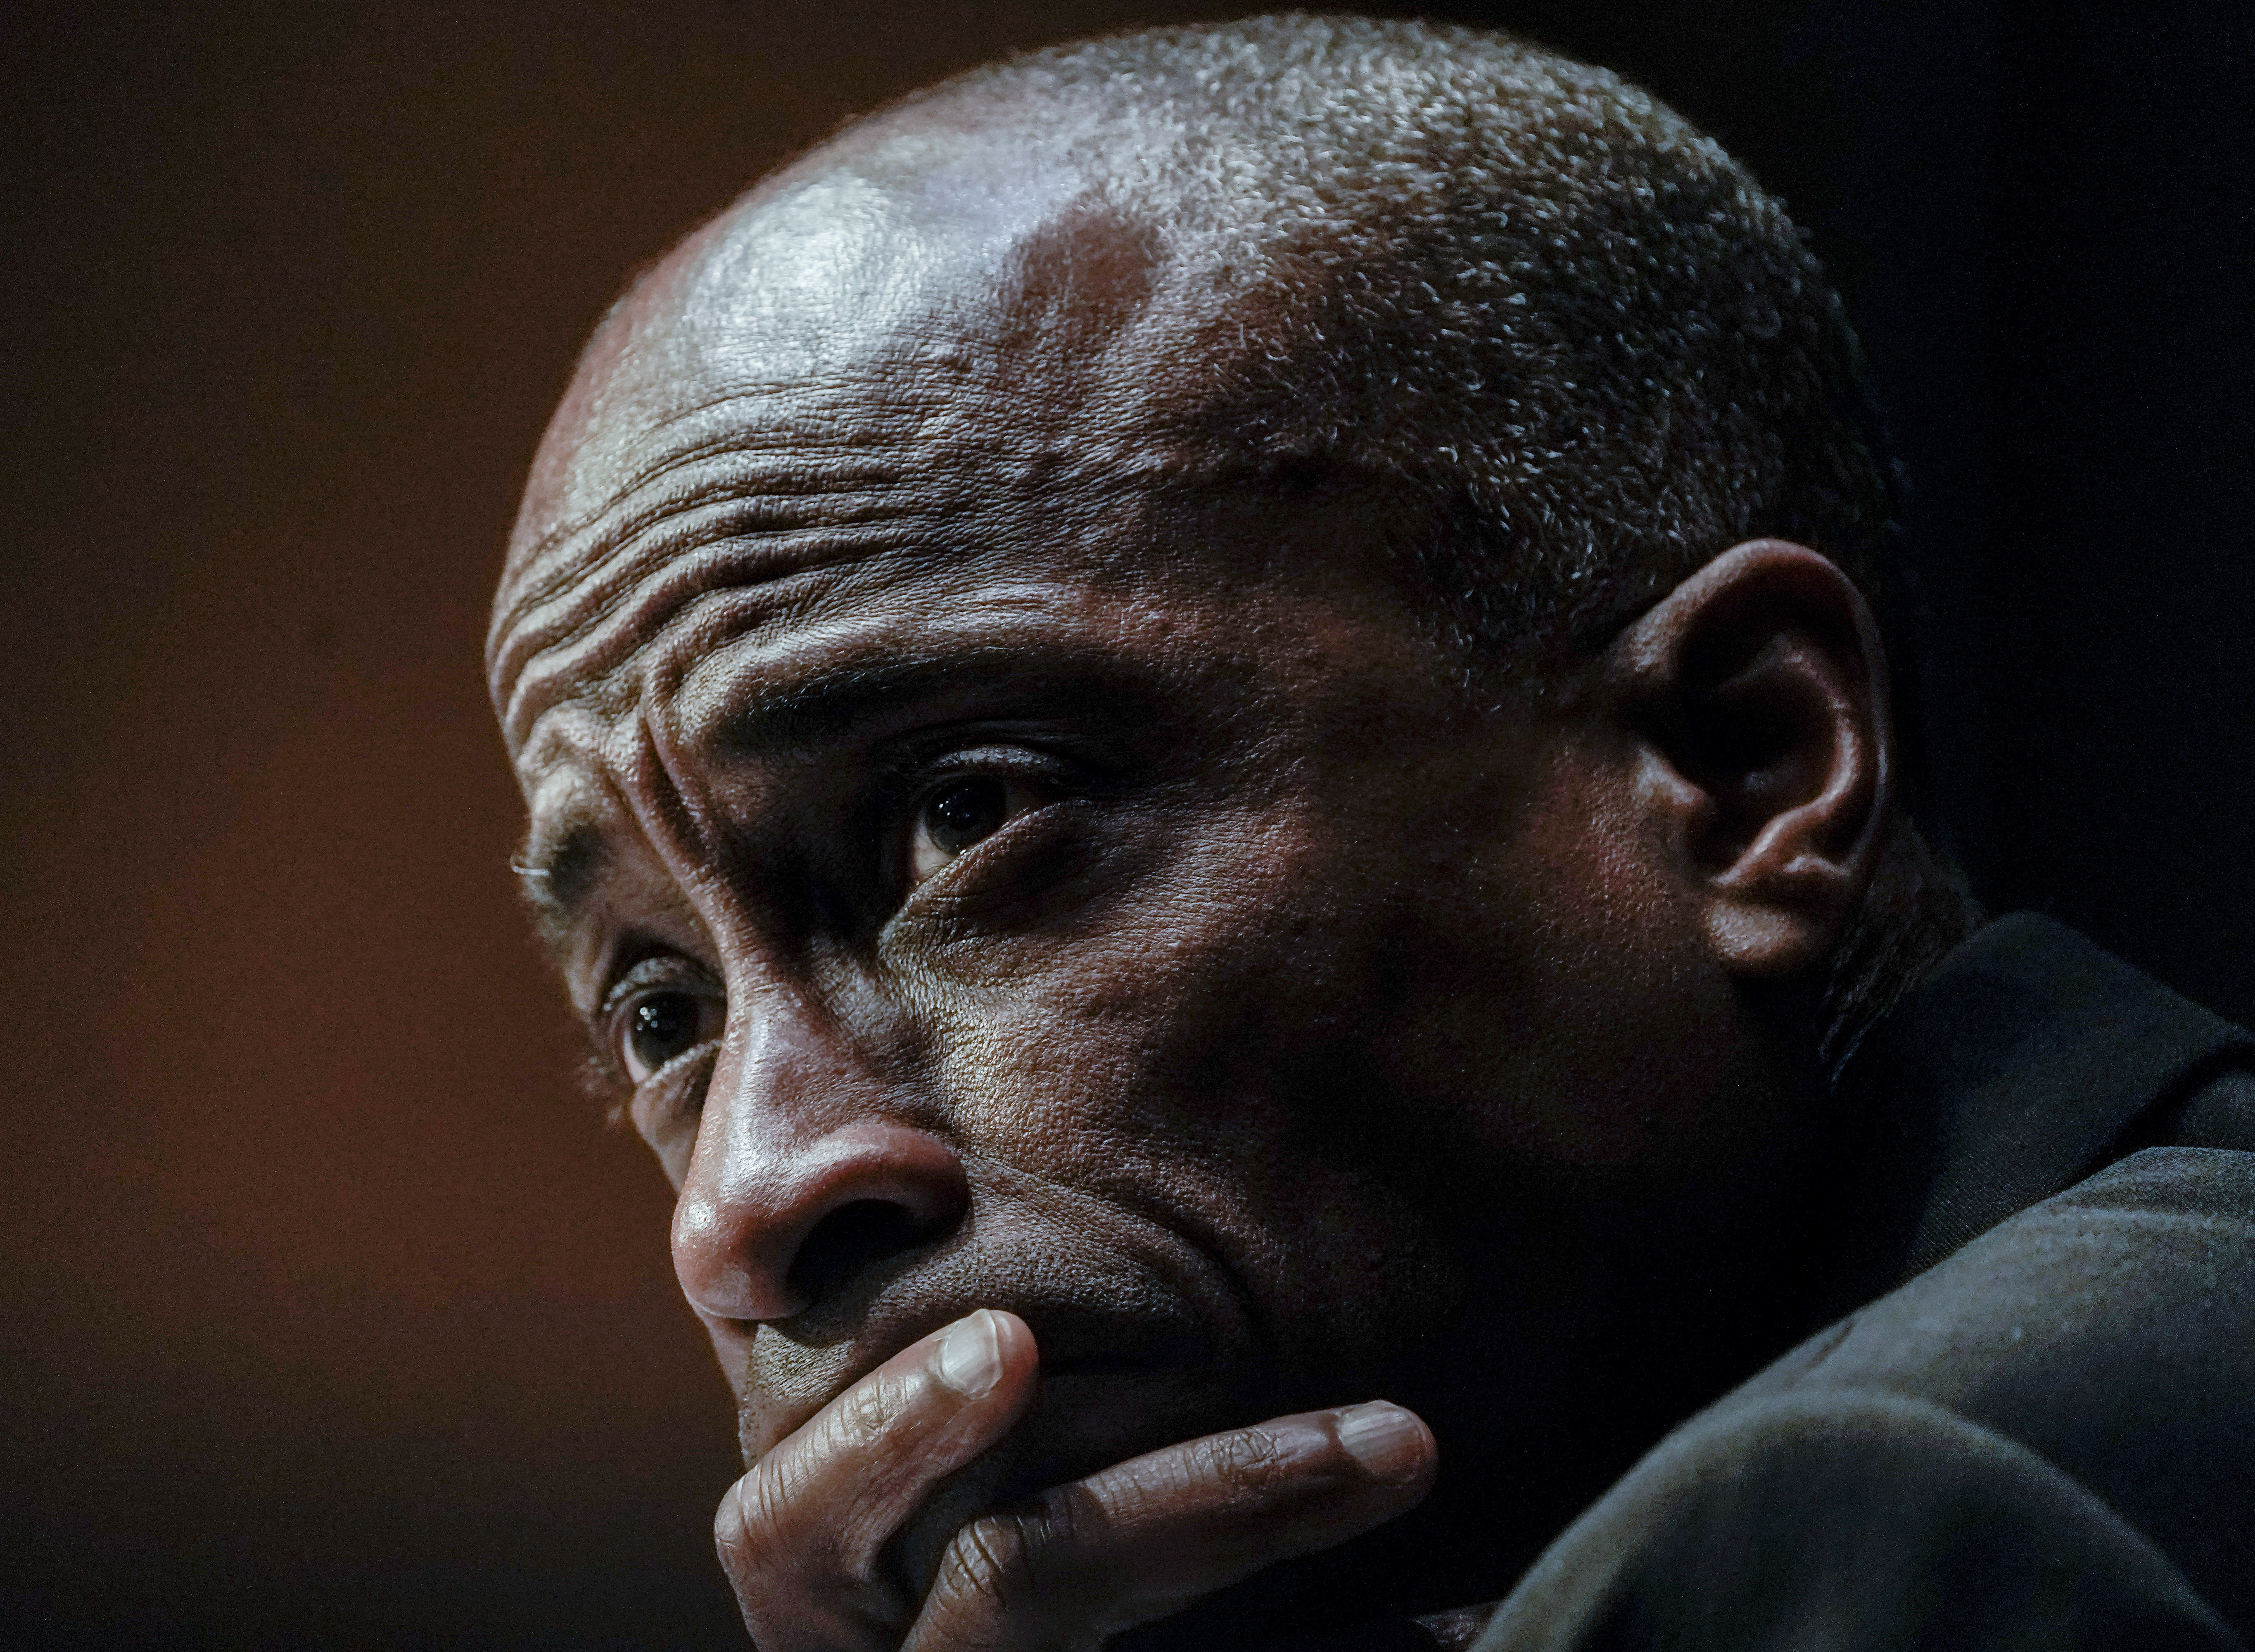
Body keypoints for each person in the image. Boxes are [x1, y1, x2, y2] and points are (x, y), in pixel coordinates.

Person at [484, 15, 2255, 1648]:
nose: (743, 1204)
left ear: (1741, 766)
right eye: (663, 1013)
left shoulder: (1867, 1530)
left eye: (966, 815)